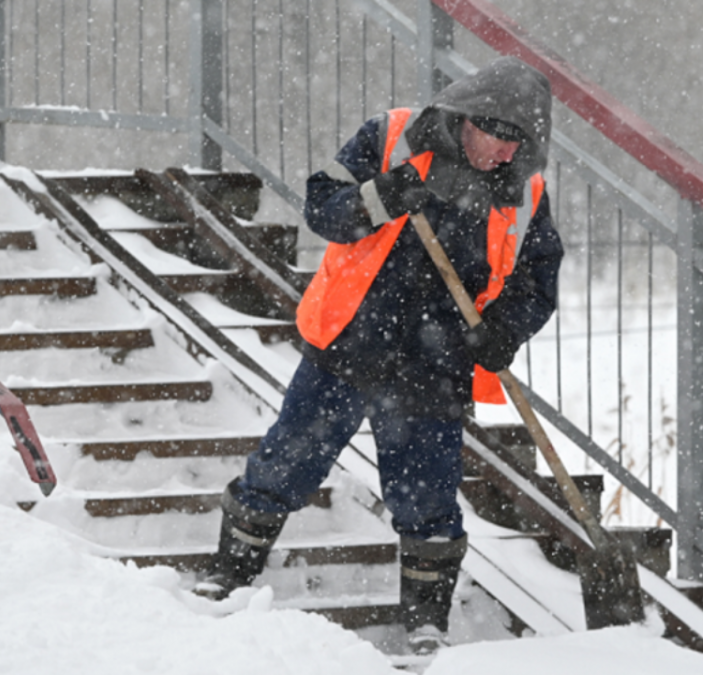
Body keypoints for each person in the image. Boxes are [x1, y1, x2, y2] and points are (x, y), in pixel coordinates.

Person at [196, 56, 563, 655]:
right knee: (286, 462)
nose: (507, 156)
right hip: (350, 342)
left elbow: (536, 280)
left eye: (520, 146)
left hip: (437, 364)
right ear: (473, 119)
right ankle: (227, 575)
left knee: (428, 498)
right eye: (502, 139)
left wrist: (502, 332)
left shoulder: (523, 193)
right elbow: (323, 207)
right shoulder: (391, 138)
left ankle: (425, 623)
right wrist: (381, 198)